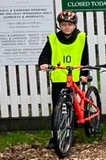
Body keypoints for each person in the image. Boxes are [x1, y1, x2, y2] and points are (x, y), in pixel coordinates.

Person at [37, 11, 90, 149]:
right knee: (57, 107)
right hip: (59, 77)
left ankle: (69, 133)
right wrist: (43, 63)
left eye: (70, 25)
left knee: (72, 106)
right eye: (64, 24)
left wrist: (84, 73)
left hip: (74, 76)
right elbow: (45, 54)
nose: (67, 27)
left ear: (75, 25)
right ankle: (54, 136)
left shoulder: (81, 37)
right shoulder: (53, 39)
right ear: (59, 25)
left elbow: (84, 57)